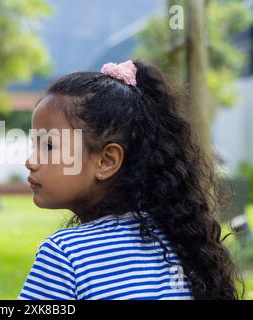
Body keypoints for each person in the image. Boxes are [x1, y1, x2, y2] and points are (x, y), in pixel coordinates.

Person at [19, 60, 241, 300]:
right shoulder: (184, 244)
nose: (31, 161)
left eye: (49, 146)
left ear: (106, 161)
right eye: (34, 146)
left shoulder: (66, 256)